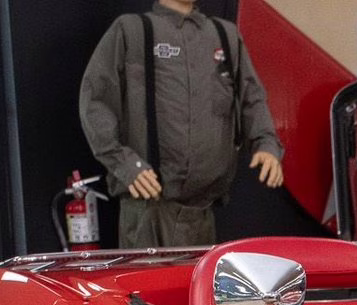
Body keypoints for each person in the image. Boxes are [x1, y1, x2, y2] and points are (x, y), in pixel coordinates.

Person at [79, 0, 284, 249]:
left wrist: (265, 143)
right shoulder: (132, 31)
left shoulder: (223, 35)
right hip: (148, 210)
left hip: (203, 213)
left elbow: (251, 98)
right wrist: (124, 163)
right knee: (148, 286)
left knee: (197, 286)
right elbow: (95, 101)